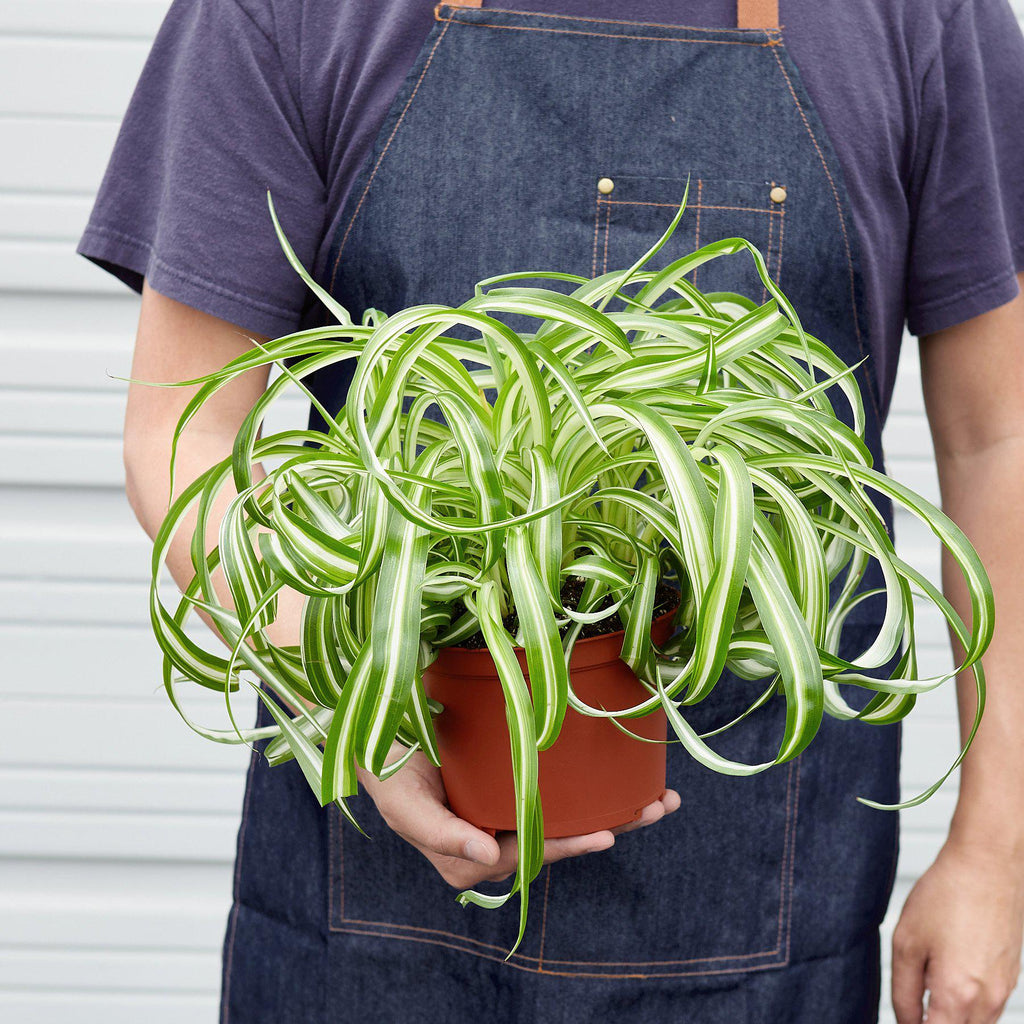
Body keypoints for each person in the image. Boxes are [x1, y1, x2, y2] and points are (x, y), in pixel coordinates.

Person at [77, 0, 1024, 1020]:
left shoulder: (918, 19)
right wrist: (364, 716)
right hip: (373, 918)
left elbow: (998, 441)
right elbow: (185, 435)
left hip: (753, 923)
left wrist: (993, 846)